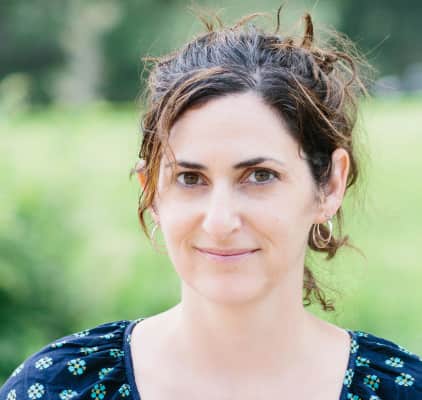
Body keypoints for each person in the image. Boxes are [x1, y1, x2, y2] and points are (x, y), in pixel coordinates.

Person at [1, 6, 421, 400]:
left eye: (260, 176)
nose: (220, 221)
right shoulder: (58, 387)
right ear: (151, 191)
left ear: (329, 185)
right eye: (190, 178)